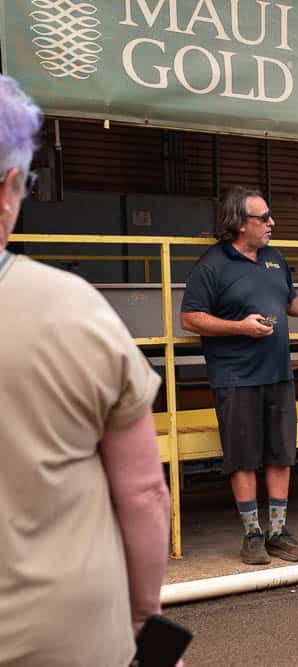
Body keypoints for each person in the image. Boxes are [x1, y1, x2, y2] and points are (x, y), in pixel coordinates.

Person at [0, 75, 171, 664]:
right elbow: (145, 492)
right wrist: (146, 623)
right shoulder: (74, 310)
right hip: (64, 638)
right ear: (7, 189)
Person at [181, 186, 298, 565]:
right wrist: (240, 327)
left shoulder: (274, 259)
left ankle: (277, 530)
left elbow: (291, 303)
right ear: (240, 224)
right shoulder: (212, 265)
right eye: (263, 218)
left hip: (277, 372)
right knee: (242, 458)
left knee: (280, 454)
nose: (272, 223)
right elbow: (190, 318)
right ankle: (251, 533)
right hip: (235, 376)